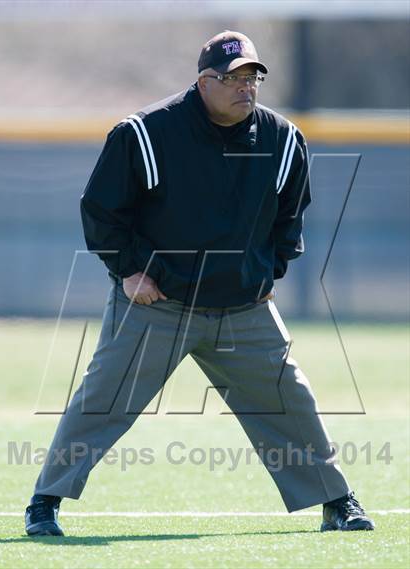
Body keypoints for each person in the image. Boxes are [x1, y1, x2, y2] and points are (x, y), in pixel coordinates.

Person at [25, 30, 374, 536]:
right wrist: (128, 270)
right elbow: (101, 210)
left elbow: (289, 220)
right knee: (101, 401)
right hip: (159, 304)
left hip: (243, 309)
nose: (246, 87)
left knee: (290, 402)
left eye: (253, 77)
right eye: (234, 78)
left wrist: (267, 272)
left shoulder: (282, 139)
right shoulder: (145, 133)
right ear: (204, 82)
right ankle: (45, 501)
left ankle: (337, 502)